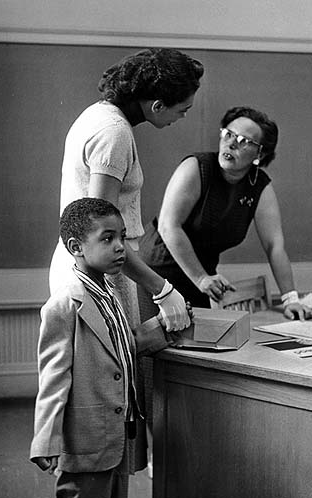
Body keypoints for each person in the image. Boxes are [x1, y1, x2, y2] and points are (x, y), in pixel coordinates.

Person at [30, 198, 182, 498]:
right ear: (76, 247)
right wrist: (46, 440)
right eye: (107, 238)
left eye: (122, 237)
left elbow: (120, 349)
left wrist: (162, 327)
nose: (120, 247)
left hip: (118, 435)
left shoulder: (110, 294)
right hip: (87, 439)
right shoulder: (63, 306)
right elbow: (53, 380)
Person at [49, 47, 204, 334]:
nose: (182, 117)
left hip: (93, 266)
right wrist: (162, 289)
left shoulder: (97, 115)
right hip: (99, 272)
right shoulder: (114, 132)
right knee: (111, 361)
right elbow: (101, 233)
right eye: (183, 110)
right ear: (157, 105)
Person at [139, 106, 312, 321]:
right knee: (159, 337)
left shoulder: (259, 186)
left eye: (243, 140)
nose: (231, 144)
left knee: (197, 337)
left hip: (203, 276)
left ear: (260, 153)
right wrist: (201, 278)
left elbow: (274, 246)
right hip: (158, 270)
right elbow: (169, 227)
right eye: (228, 134)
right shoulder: (196, 167)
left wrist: (290, 299)